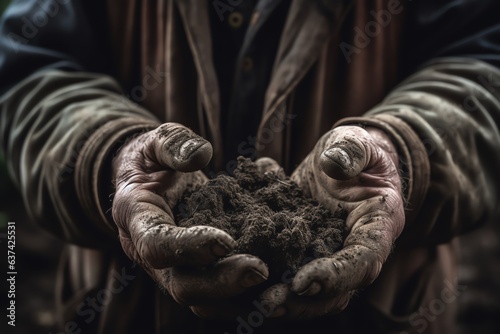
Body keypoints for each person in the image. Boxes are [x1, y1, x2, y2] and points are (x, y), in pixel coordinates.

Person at [1, 0, 499, 333]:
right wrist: (111, 157)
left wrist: (402, 151)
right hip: (126, 307)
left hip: (380, 306)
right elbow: (31, 67)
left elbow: (484, 59)